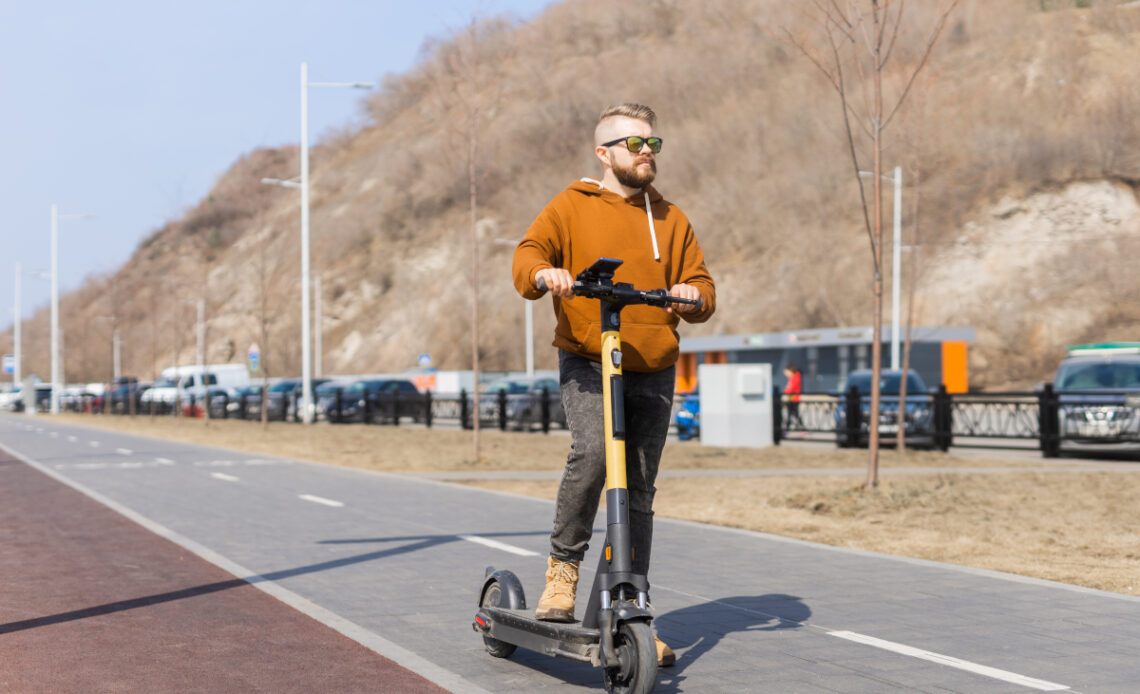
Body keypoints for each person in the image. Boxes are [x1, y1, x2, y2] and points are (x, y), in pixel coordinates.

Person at [512, 103, 716, 668]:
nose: (646, 153)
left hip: (652, 362)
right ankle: (562, 571)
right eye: (635, 144)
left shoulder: (670, 217)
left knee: (641, 488)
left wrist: (694, 294)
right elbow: (528, 254)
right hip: (588, 355)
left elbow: (701, 282)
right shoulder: (570, 206)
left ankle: (633, 605)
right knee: (597, 453)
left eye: (653, 143)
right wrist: (543, 274)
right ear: (604, 153)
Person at [783, 364, 804, 431]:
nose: (786, 375)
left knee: (794, 414)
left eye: (787, 372)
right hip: (791, 399)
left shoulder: (795, 377)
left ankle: (802, 429)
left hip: (794, 399)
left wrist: (786, 391)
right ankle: (788, 429)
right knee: (792, 414)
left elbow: (790, 389)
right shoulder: (793, 378)